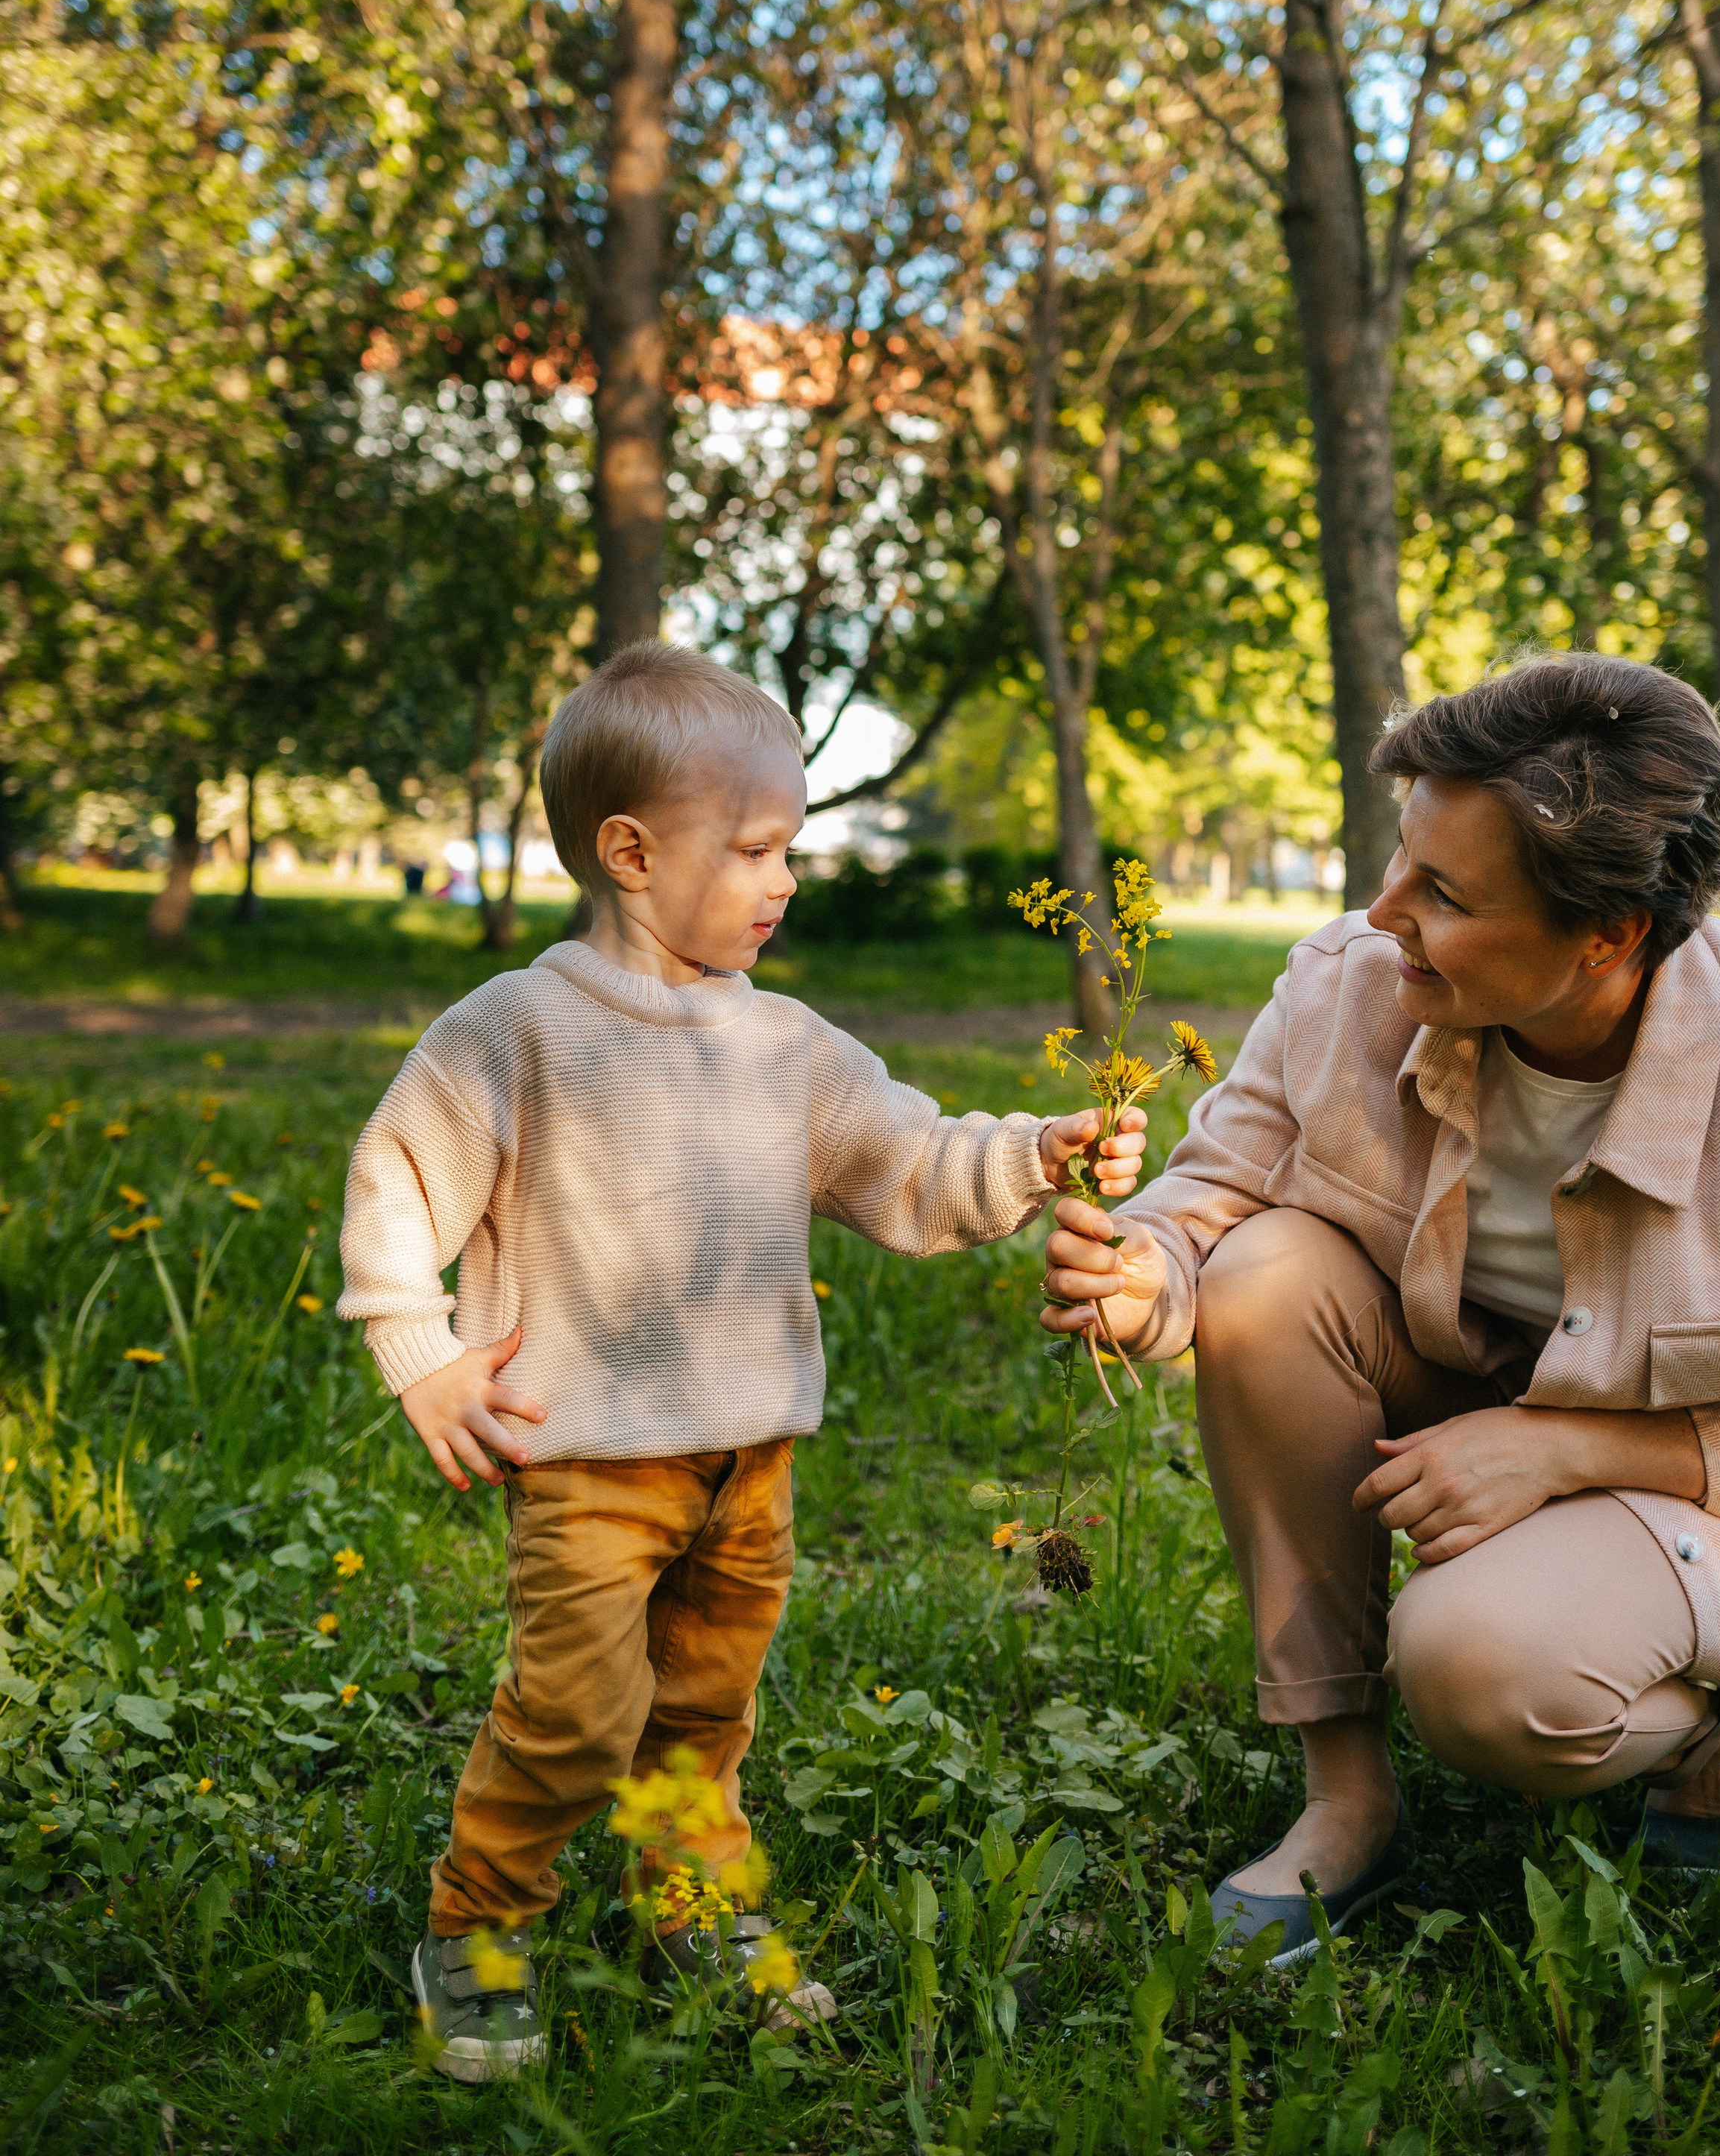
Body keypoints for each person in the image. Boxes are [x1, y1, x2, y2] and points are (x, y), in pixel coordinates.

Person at [337, 641, 1147, 2080]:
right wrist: (421, 1351)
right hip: (584, 1454)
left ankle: (695, 1904)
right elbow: (401, 1170)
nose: (787, 880)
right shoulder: (520, 1029)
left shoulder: (787, 1048)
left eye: (794, 849)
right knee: (575, 1716)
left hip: (746, 1464)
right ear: (633, 853)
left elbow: (907, 1160)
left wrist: (1031, 1154)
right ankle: (476, 1924)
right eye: (760, 849)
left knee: (707, 1714)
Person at [1044, 652, 1720, 1964]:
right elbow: (1212, 1195)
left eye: (1444, 894)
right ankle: (1346, 1799)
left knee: (1482, 1673)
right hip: (1467, 1388)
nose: (1384, 912)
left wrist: (1566, 1450)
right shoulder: (1346, 983)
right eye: (1403, 861)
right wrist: (1146, 1277)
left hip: (1711, 1487)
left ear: (1609, 934)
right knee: (1269, 1273)